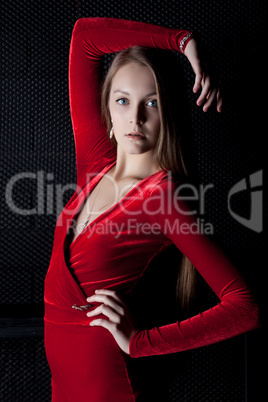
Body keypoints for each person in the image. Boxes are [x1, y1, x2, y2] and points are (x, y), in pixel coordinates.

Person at [44, 17, 260, 401]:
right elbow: (85, 36)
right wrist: (182, 41)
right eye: (123, 101)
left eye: (152, 103)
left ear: (168, 114)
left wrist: (139, 342)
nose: (136, 117)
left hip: (107, 384)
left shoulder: (163, 198)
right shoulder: (96, 164)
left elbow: (245, 307)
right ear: (108, 108)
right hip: (62, 382)